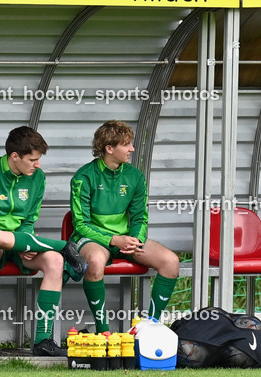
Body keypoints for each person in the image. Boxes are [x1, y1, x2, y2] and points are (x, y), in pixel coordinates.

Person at [0, 126, 87, 357]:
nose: (37, 165)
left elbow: (29, 220)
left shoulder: (38, 177)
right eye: (32, 160)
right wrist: (23, 243)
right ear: (14, 156)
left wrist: (23, 245)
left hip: (22, 245)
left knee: (56, 261)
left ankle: (43, 341)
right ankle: (63, 245)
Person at [69, 121, 180, 331]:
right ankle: (103, 331)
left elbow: (140, 217)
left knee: (171, 261)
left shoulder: (135, 176)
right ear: (109, 148)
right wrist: (113, 239)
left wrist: (135, 239)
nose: (132, 149)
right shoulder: (83, 177)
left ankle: (151, 327)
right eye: (126, 144)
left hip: (126, 240)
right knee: (95, 261)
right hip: (93, 239)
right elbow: (81, 224)